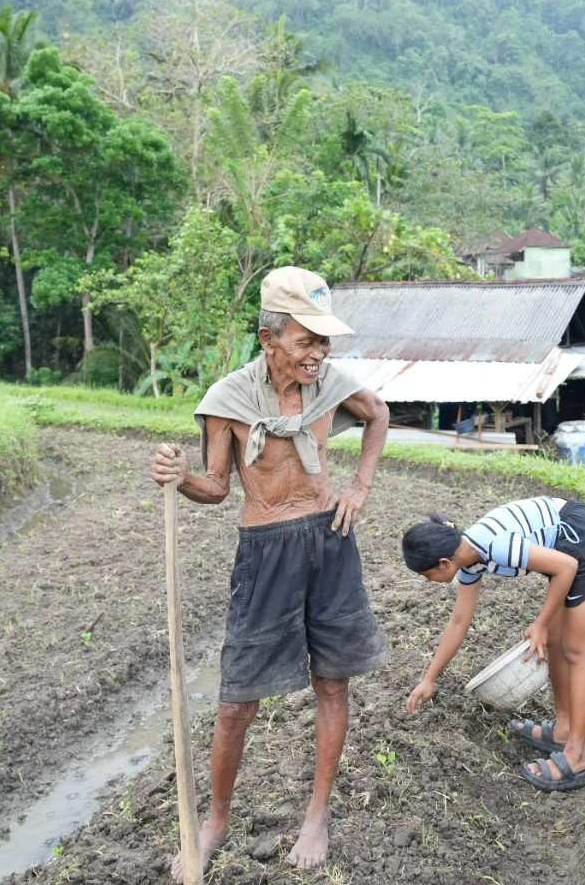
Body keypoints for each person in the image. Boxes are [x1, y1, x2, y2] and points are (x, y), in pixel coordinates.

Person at [148, 266, 390, 877]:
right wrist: (180, 480)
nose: (320, 352)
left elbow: (378, 413)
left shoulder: (329, 385)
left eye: (324, 340)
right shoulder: (229, 400)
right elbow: (216, 485)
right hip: (265, 547)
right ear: (269, 339)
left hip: (329, 541)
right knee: (236, 702)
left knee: (333, 682)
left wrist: (358, 486)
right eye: (307, 340)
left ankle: (317, 815)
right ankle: (216, 821)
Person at [400, 495, 585, 792]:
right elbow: (459, 622)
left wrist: (540, 624)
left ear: (444, 563)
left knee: (577, 652)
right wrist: (429, 679)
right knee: (556, 645)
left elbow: (567, 567)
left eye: (425, 574)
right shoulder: (469, 560)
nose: (427, 581)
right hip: (566, 551)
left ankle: (577, 757)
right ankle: (562, 730)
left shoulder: (495, 545)